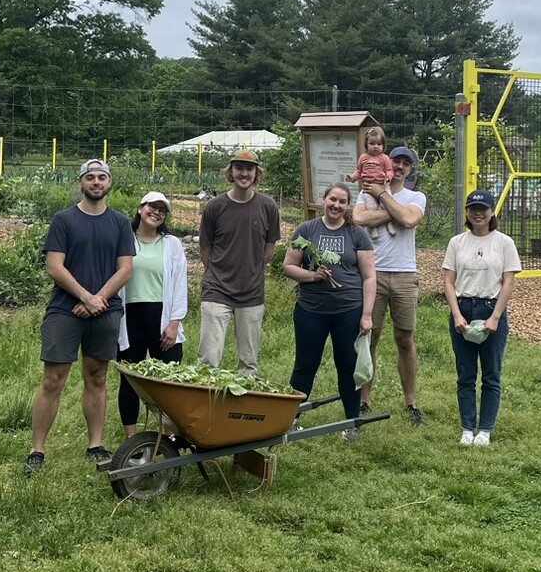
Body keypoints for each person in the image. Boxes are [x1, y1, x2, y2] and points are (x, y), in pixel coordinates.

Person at [24, 158, 135, 475]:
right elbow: (54, 266)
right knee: (52, 379)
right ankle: (37, 450)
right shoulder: (64, 220)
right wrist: (85, 297)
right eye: (90, 177)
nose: (96, 182)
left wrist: (97, 299)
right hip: (65, 310)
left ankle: (95, 445)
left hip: (105, 310)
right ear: (80, 183)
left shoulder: (119, 223)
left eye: (102, 177)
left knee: (97, 376)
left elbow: (125, 269)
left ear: (109, 183)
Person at [283, 184, 376, 441]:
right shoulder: (307, 230)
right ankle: (291, 420)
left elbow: (369, 276)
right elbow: (289, 266)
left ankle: (351, 423)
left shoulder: (357, 234)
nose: (336, 205)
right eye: (332, 199)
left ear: (347, 206)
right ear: (323, 200)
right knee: (305, 365)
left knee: (347, 365)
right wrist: (313, 276)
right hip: (311, 310)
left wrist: (366, 315)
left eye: (342, 201)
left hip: (348, 310)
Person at [354, 145, 428, 426]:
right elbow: (359, 218)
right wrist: (395, 212)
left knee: (405, 339)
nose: (399, 166)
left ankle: (410, 402)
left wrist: (383, 196)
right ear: (387, 162)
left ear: (410, 169)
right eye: (395, 160)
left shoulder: (415, 196)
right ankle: (364, 400)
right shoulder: (364, 193)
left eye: (405, 164)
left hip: (405, 275)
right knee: (369, 337)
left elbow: (410, 219)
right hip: (372, 275)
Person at [442, 189, 522, 446]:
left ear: (492, 212)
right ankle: (467, 428)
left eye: (483, 209)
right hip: (464, 307)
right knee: (465, 374)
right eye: (473, 209)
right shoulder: (457, 242)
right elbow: (448, 280)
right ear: (467, 212)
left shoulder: (504, 242)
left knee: (491, 374)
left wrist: (496, 317)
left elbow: (508, 281)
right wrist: (456, 314)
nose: (478, 213)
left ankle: (485, 429)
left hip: (491, 307)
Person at [197, 148, 281, 376]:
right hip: (217, 290)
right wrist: (220, 272)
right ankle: (205, 408)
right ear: (230, 172)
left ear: (257, 174)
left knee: (248, 363)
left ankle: (242, 409)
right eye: (239, 168)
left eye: (249, 169)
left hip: (251, 293)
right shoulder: (215, 207)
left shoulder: (268, 207)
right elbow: (205, 249)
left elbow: (269, 250)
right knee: (208, 359)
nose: (244, 173)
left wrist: (249, 270)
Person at [116, 191, 188, 438]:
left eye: (162, 209)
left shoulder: (171, 244)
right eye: (151, 207)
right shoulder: (124, 240)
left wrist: (174, 322)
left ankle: (170, 434)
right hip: (130, 319)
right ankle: (132, 439)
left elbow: (180, 284)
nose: (156, 212)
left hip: (162, 318)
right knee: (130, 380)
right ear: (140, 208)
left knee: (169, 381)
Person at [344, 127, 396, 239]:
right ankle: (373, 228)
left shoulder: (385, 158)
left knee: (387, 204)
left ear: (383, 145)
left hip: (383, 185)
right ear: (366, 144)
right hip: (368, 187)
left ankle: (389, 224)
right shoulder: (363, 158)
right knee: (371, 207)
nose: (375, 146)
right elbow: (359, 171)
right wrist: (352, 177)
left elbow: (389, 170)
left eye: (379, 144)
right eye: (372, 143)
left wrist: (388, 177)